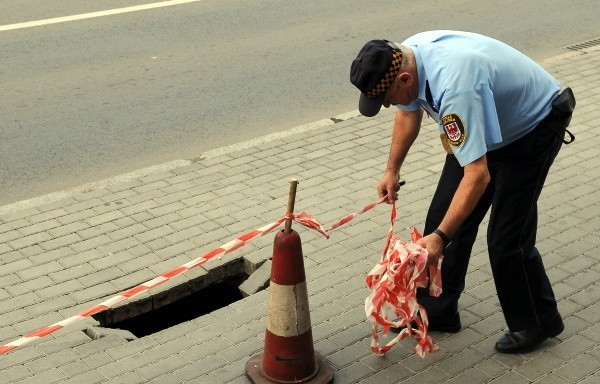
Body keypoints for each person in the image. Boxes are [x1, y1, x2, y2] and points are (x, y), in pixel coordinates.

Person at [349, 31, 575, 354]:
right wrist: (392, 169)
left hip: (533, 126)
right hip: (491, 122)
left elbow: (477, 175)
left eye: (385, 96)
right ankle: (438, 310)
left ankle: (538, 320)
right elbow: (408, 111)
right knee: (442, 217)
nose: (386, 104)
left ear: (403, 77)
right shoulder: (407, 55)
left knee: (506, 239)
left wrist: (441, 238)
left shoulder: (455, 87)